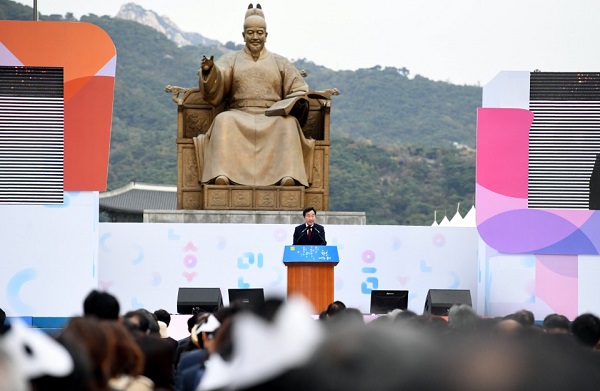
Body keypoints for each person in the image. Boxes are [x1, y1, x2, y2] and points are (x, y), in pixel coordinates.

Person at [193, 4, 315, 187]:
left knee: (289, 124)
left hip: (272, 115)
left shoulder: (280, 62)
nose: (255, 37)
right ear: (243, 36)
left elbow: (299, 87)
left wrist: (296, 100)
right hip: (239, 113)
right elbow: (220, 76)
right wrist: (210, 71)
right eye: (250, 33)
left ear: (266, 35)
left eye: (259, 33)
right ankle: (222, 175)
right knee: (223, 120)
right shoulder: (231, 59)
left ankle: (288, 176)